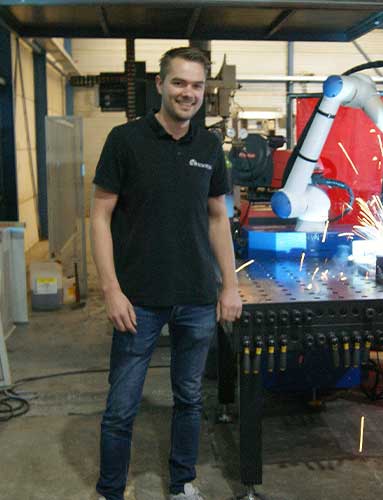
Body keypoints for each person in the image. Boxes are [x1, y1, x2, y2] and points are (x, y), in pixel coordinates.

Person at [91, 46, 242, 500]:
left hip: (196, 296)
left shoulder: (210, 146)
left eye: (197, 85)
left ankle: (181, 484)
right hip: (138, 298)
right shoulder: (124, 140)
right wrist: (111, 290)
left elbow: (218, 217)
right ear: (160, 84)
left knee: (190, 399)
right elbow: (99, 216)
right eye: (179, 82)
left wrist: (230, 286)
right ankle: (111, 491)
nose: (188, 93)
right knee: (121, 407)